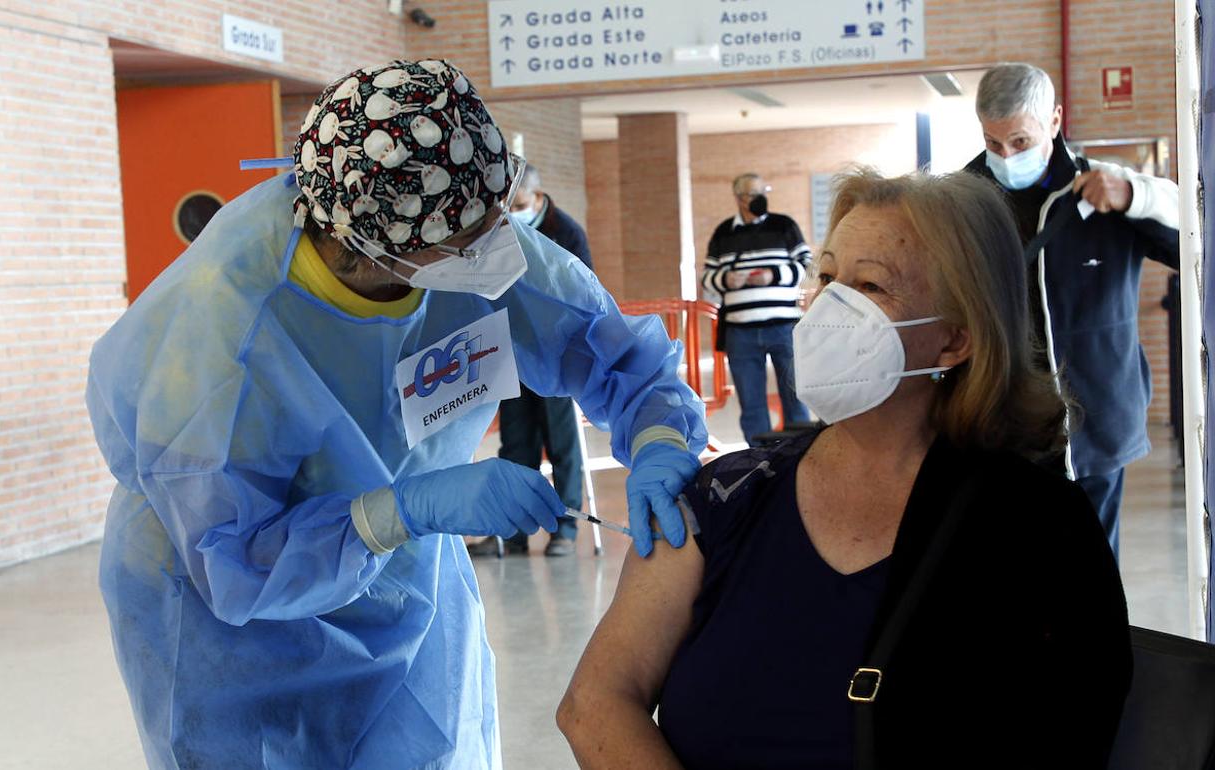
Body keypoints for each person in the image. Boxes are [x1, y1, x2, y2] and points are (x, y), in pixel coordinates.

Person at [86, 60, 707, 769]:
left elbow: (619, 356)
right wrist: (404, 508)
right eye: (468, 242)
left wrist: (659, 438)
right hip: (223, 619)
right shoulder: (219, 329)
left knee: (431, 745)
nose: (497, 251)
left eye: (496, 220)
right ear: (368, 253)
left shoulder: (458, 223)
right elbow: (236, 560)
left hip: (406, 568)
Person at [558, 170, 1131, 769]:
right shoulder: (730, 495)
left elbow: (1071, 734)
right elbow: (595, 702)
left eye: (871, 287)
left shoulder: (1035, 526)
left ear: (955, 340)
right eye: (828, 278)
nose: (830, 307)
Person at [965, 62, 1180, 558]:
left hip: (1096, 420)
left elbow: (1196, 234)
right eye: (993, 143)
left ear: (1055, 121)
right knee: (1015, 566)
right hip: (1003, 420)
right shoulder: (964, 200)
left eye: (1020, 141)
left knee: (1093, 568)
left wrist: (1136, 194)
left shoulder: (1104, 190)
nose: (1006, 155)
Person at [468, 165, 593, 557]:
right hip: (510, 350)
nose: (512, 210)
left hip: (555, 354)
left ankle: (566, 529)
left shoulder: (567, 232)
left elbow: (584, 293)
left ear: (537, 198)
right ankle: (512, 533)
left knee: (562, 444)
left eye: (519, 204)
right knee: (516, 444)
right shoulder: (497, 229)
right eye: (507, 204)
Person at [701, 173, 812, 445]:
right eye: (754, 193)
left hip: (784, 327)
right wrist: (725, 280)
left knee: (795, 395)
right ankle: (760, 461)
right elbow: (708, 276)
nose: (761, 198)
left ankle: (798, 455)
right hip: (741, 333)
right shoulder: (724, 232)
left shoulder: (785, 226)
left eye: (764, 191)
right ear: (739, 198)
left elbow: (807, 264)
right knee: (752, 405)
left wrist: (773, 275)